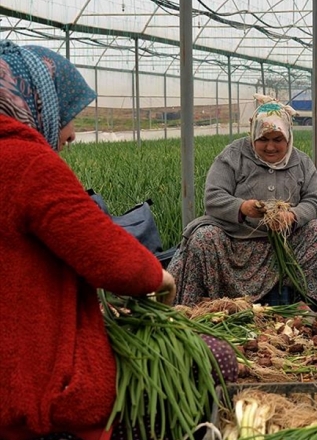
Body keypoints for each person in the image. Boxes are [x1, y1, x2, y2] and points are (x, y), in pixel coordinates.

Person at [0, 42, 236, 440]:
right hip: (33, 381)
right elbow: (109, 256)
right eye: (68, 115)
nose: (72, 133)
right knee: (214, 358)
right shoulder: (28, 164)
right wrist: (159, 277)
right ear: (37, 103)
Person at [168, 94, 317, 307]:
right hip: (235, 243)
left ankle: (305, 305)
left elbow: (313, 201)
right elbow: (213, 196)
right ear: (253, 135)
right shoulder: (233, 155)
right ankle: (212, 306)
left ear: (288, 137)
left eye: (277, 139)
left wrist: (292, 216)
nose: (270, 147)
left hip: (283, 245)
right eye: (263, 139)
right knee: (204, 236)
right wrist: (243, 207)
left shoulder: (301, 162)